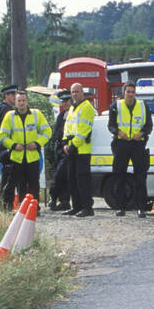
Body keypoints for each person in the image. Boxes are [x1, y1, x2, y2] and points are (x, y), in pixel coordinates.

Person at [107, 82, 153, 217]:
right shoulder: (116, 106)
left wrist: (142, 133)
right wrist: (118, 133)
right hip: (121, 143)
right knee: (119, 176)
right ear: (124, 93)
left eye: (133, 92)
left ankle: (141, 208)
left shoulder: (143, 106)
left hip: (138, 144)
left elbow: (149, 126)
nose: (131, 94)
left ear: (135, 93)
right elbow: (111, 125)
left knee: (140, 176)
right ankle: (120, 207)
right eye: (128, 91)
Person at [0, 90, 51, 207]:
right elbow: (2, 135)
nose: (21, 103)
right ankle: (17, 208)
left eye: (23, 100)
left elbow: (47, 132)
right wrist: (13, 145)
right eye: (19, 100)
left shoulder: (36, 114)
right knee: (17, 184)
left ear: (27, 101)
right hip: (17, 157)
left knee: (34, 184)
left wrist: (37, 144)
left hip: (33, 156)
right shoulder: (9, 116)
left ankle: (34, 208)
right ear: (15, 102)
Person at [63, 82, 96, 217]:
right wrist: (65, 142)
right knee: (72, 179)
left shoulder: (87, 107)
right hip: (71, 149)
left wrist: (72, 146)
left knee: (82, 180)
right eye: (73, 92)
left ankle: (87, 208)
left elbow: (84, 130)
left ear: (83, 92)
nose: (75, 94)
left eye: (77, 91)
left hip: (81, 150)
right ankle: (76, 206)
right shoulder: (72, 108)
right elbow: (67, 127)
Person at [0, 84, 18, 207]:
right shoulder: (7, 110)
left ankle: (6, 203)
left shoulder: (2, 108)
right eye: (12, 94)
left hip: (4, 148)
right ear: (6, 96)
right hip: (8, 148)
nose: (15, 97)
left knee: (8, 176)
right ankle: (7, 204)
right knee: (10, 177)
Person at [47, 91, 72, 211]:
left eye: (67, 101)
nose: (65, 104)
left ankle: (62, 199)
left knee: (63, 176)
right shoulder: (61, 116)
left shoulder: (75, 114)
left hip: (70, 149)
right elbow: (56, 133)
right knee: (59, 175)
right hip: (61, 150)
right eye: (63, 102)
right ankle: (58, 199)